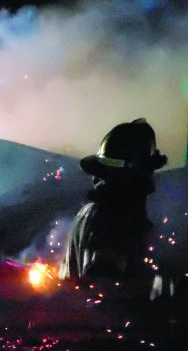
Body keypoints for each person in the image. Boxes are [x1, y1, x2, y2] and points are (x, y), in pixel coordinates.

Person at [60, 118, 168, 284]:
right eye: (147, 172)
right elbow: (106, 284)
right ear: (134, 175)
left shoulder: (94, 211)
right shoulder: (115, 218)